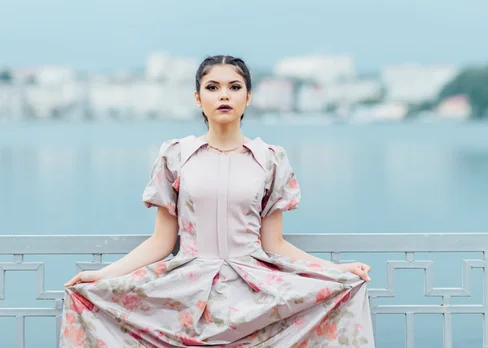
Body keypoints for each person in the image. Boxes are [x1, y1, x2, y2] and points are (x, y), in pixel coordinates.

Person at [59, 55, 375, 347]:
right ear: (198, 98)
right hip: (186, 289)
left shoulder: (269, 159)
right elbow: (161, 242)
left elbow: (274, 244)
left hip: (255, 291)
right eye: (213, 87)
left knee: (342, 295)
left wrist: (335, 270)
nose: (224, 95)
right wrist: (104, 276)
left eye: (234, 87)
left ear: (248, 97)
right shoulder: (176, 156)